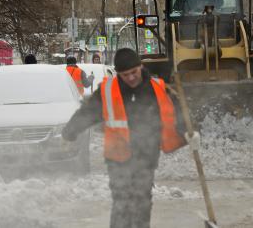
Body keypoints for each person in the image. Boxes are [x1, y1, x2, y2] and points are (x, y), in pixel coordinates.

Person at [62, 48, 201, 228]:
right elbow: (87, 113)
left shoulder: (157, 88)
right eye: (125, 74)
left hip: (146, 157)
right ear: (119, 73)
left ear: (140, 67)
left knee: (142, 202)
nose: (131, 77)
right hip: (117, 159)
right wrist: (69, 133)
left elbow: (179, 111)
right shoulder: (108, 90)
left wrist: (192, 131)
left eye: (134, 72)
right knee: (122, 204)